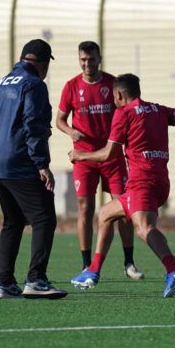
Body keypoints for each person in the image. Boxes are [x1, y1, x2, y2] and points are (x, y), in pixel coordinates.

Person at [68, 73, 175, 297]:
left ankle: (174, 269)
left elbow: (108, 154)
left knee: (144, 228)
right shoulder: (157, 109)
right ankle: (92, 271)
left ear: (119, 95)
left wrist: (81, 155)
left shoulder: (123, 113)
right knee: (105, 214)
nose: (113, 100)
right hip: (160, 182)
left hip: (142, 182)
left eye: (114, 97)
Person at [0, 38, 67, 300]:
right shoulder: (35, 84)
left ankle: (4, 284)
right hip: (20, 162)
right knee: (43, 218)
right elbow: (33, 123)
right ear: (43, 62)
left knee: (13, 221)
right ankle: (36, 280)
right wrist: (41, 163)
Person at [56, 41, 143, 279]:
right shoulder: (71, 86)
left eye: (91, 59)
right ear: (79, 59)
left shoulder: (111, 84)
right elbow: (60, 120)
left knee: (124, 209)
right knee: (86, 209)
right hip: (83, 158)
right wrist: (70, 131)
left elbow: (126, 112)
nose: (87, 64)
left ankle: (129, 263)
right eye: (83, 59)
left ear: (99, 59)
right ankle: (86, 265)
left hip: (111, 156)